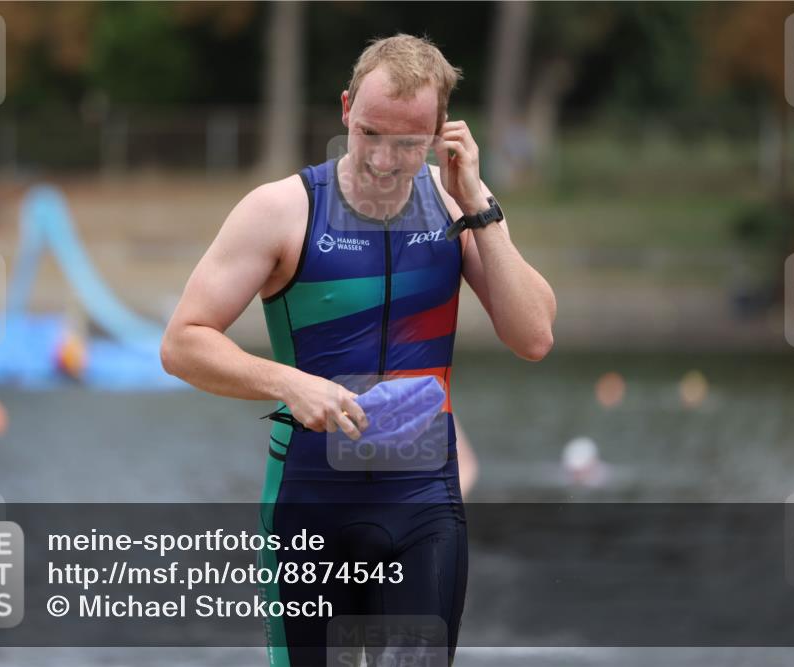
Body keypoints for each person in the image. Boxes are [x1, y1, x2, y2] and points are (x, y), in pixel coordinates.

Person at [161, 33, 555, 667]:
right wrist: (290, 383)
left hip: (423, 497)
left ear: (439, 133)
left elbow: (533, 335)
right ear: (345, 109)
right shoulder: (282, 210)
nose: (381, 160)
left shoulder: (458, 206)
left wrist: (479, 202)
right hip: (310, 497)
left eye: (407, 144)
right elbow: (183, 343)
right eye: (369, 133)